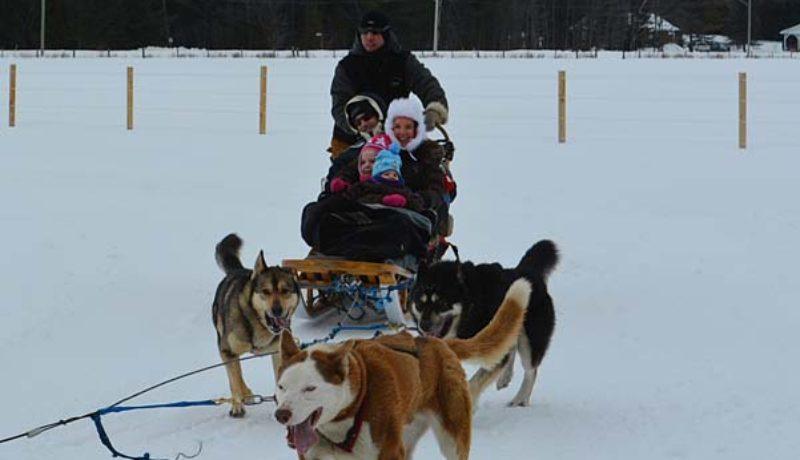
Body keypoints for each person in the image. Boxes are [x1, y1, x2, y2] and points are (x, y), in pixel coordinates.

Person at [329, 11, 449, 158]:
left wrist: (434, 110)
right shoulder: (346, 67)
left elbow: (428, 85)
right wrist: (358, 123)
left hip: (397, 139)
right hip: (350, 141)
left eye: (375, 32)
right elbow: (338, 106)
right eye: (364, 32)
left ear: (386, 34)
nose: (369, 37)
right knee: (342, 178)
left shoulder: (403, 61)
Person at [341, 149, 425, 212]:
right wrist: (382, 199)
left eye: (395, 175)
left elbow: (417, 203)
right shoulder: (367, 185)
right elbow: (352, 199)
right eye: (387, 174)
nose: (391, 177)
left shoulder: (403, 190)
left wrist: (405, 202)